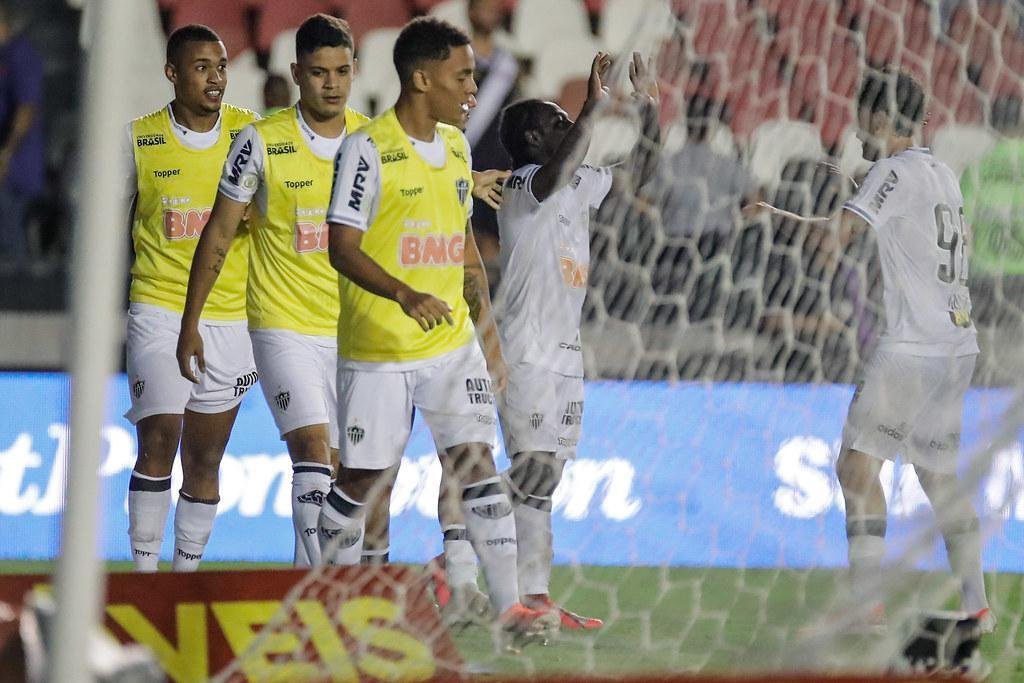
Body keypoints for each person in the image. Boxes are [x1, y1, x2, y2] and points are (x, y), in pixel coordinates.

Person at [318, 16, 557, 644]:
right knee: (362, 481)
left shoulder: (456, 146)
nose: (472, 86)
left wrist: (486, 335)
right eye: (462, 75)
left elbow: (460, 251)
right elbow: (340, 245)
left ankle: (511, 611)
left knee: (476, 463)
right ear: (422, 79)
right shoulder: (366, 149)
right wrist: (402, 292)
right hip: (379, 347)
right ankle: (321, 588)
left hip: (450, 346)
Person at [177, 14, 367, 568]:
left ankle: (318, 585)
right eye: (318, 72)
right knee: (309, 453)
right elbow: (217, 231)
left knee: (345, 474)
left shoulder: (372, 143)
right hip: (281, 325)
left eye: (340, 71)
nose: (330, 83)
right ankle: (311, 593)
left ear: (354, 72)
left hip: (352, 332)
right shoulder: (260, 141)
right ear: (297, 74)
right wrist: (191, 321)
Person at [494, 51, 660, 628]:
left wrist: (650, 109)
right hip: (525, 352)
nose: (572, 127)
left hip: (564, 354)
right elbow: (559, 170)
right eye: (560, 122)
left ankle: (532, 597)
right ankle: (465, 555)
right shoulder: (523, 187)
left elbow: (642, 174)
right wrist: (593, 104)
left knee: (546, 479)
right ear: (534, 137)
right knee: (533, 469)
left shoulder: (577, 183)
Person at [830, 69, 992, 631]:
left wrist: (825, 204)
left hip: (912, 348)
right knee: (938, 476)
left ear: (876, 120)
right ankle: (978, 605)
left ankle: (864, 605)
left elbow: (839, 236)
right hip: (957, 344)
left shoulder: (888, 171)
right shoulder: (944, 174)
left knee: (855, 468)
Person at [124, 25, 259, 572]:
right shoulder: (139, 138)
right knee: (160, 434)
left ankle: (182, 581)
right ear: (172, 72)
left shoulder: (252, 134)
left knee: (204, 458)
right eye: (201, 67)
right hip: (159, 307)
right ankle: (143, 578)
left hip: (231, 316)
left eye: (221, 66)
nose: (215, 78)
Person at [0, 1, 43, 266]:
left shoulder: (20, 54)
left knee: (9, 235)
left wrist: (6, 153)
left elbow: (27, 108)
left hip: (15, 170)